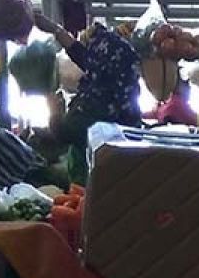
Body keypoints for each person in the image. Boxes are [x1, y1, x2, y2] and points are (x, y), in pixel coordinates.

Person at [35, 14, 143, 184]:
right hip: (123, 180)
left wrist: (54, 112)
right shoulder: (121, 83)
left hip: (94, 183)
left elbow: (66, 132)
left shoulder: (98, 103)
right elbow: (83, 57)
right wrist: (55, 29)